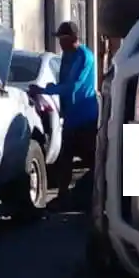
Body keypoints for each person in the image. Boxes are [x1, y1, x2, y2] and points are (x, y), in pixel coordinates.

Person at [40, 20, 98, 200]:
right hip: (71, 117)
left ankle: (94, 195)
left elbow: (73, 86)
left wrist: (46, 90)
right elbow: (64, 84)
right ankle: (63, 195)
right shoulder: (66, 56)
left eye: (62, 39)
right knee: (65, 159)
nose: (59, 43)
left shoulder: (84, 56)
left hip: (85, 117)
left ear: (73, 38)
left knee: (91, 158)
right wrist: (55, 88)